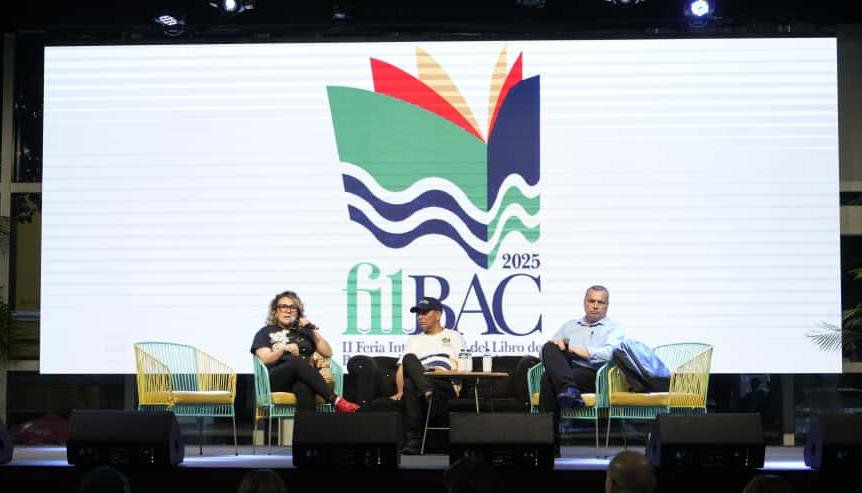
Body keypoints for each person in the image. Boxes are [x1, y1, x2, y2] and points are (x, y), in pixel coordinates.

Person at [539, 285, 624, 448]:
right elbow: (547, 354)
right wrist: (558, 346)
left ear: (607, 306)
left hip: (596, 375)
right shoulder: (570, 325)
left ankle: (548, 445)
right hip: (568, 370)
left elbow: (610, 354)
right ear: (585, 302)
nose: (595, 306)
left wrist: (576, 350)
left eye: (600, 302)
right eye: (591, 301)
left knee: (547, 379)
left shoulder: (614, 328)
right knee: (548, 347)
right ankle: (568, 389)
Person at [250, 290, 359, 413]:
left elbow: (328, 352)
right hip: (276, 380)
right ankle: (335, 400)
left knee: (304, 387)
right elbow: (265, 359)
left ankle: (307, 425)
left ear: (298, 313)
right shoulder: (265, 332)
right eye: (283, 306)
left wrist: (311, 330)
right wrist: (283, 349)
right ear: (275, 312)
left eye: (293, 307)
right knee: (295, 362)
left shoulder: (305, 333)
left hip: (304, 377)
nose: (288, 310)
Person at [392, 296, 464, 454]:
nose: (420, 317)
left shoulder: (454, 336)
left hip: (444, 381)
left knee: (412, 384)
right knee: (409, 359)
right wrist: (400, 391)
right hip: (422, 381)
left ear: (438, 315)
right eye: (418, 314)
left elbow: (463, 366)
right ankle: (428, 392)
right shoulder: (414, 340)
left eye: (425, 313)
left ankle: (414, 442)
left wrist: (442, 373)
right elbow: (403, 368)